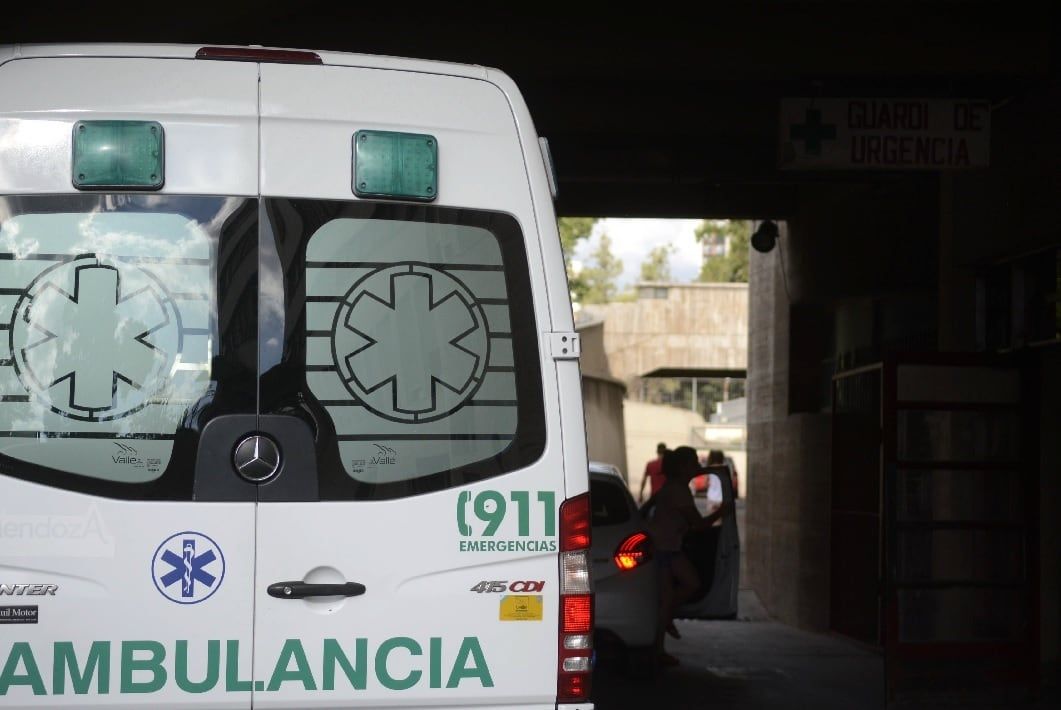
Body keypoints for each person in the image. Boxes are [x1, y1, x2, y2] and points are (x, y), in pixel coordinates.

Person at [646, 446, 734, 666]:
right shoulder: (679, 491)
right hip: (664, 550)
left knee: (680, 590)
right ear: (683, 466)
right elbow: (699, 523)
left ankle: (664, 627)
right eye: (694, 462)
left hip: (667, 548)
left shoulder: (673, 487)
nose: (698, 467)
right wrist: (721, 512)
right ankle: (659, 640)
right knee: (682, 589)